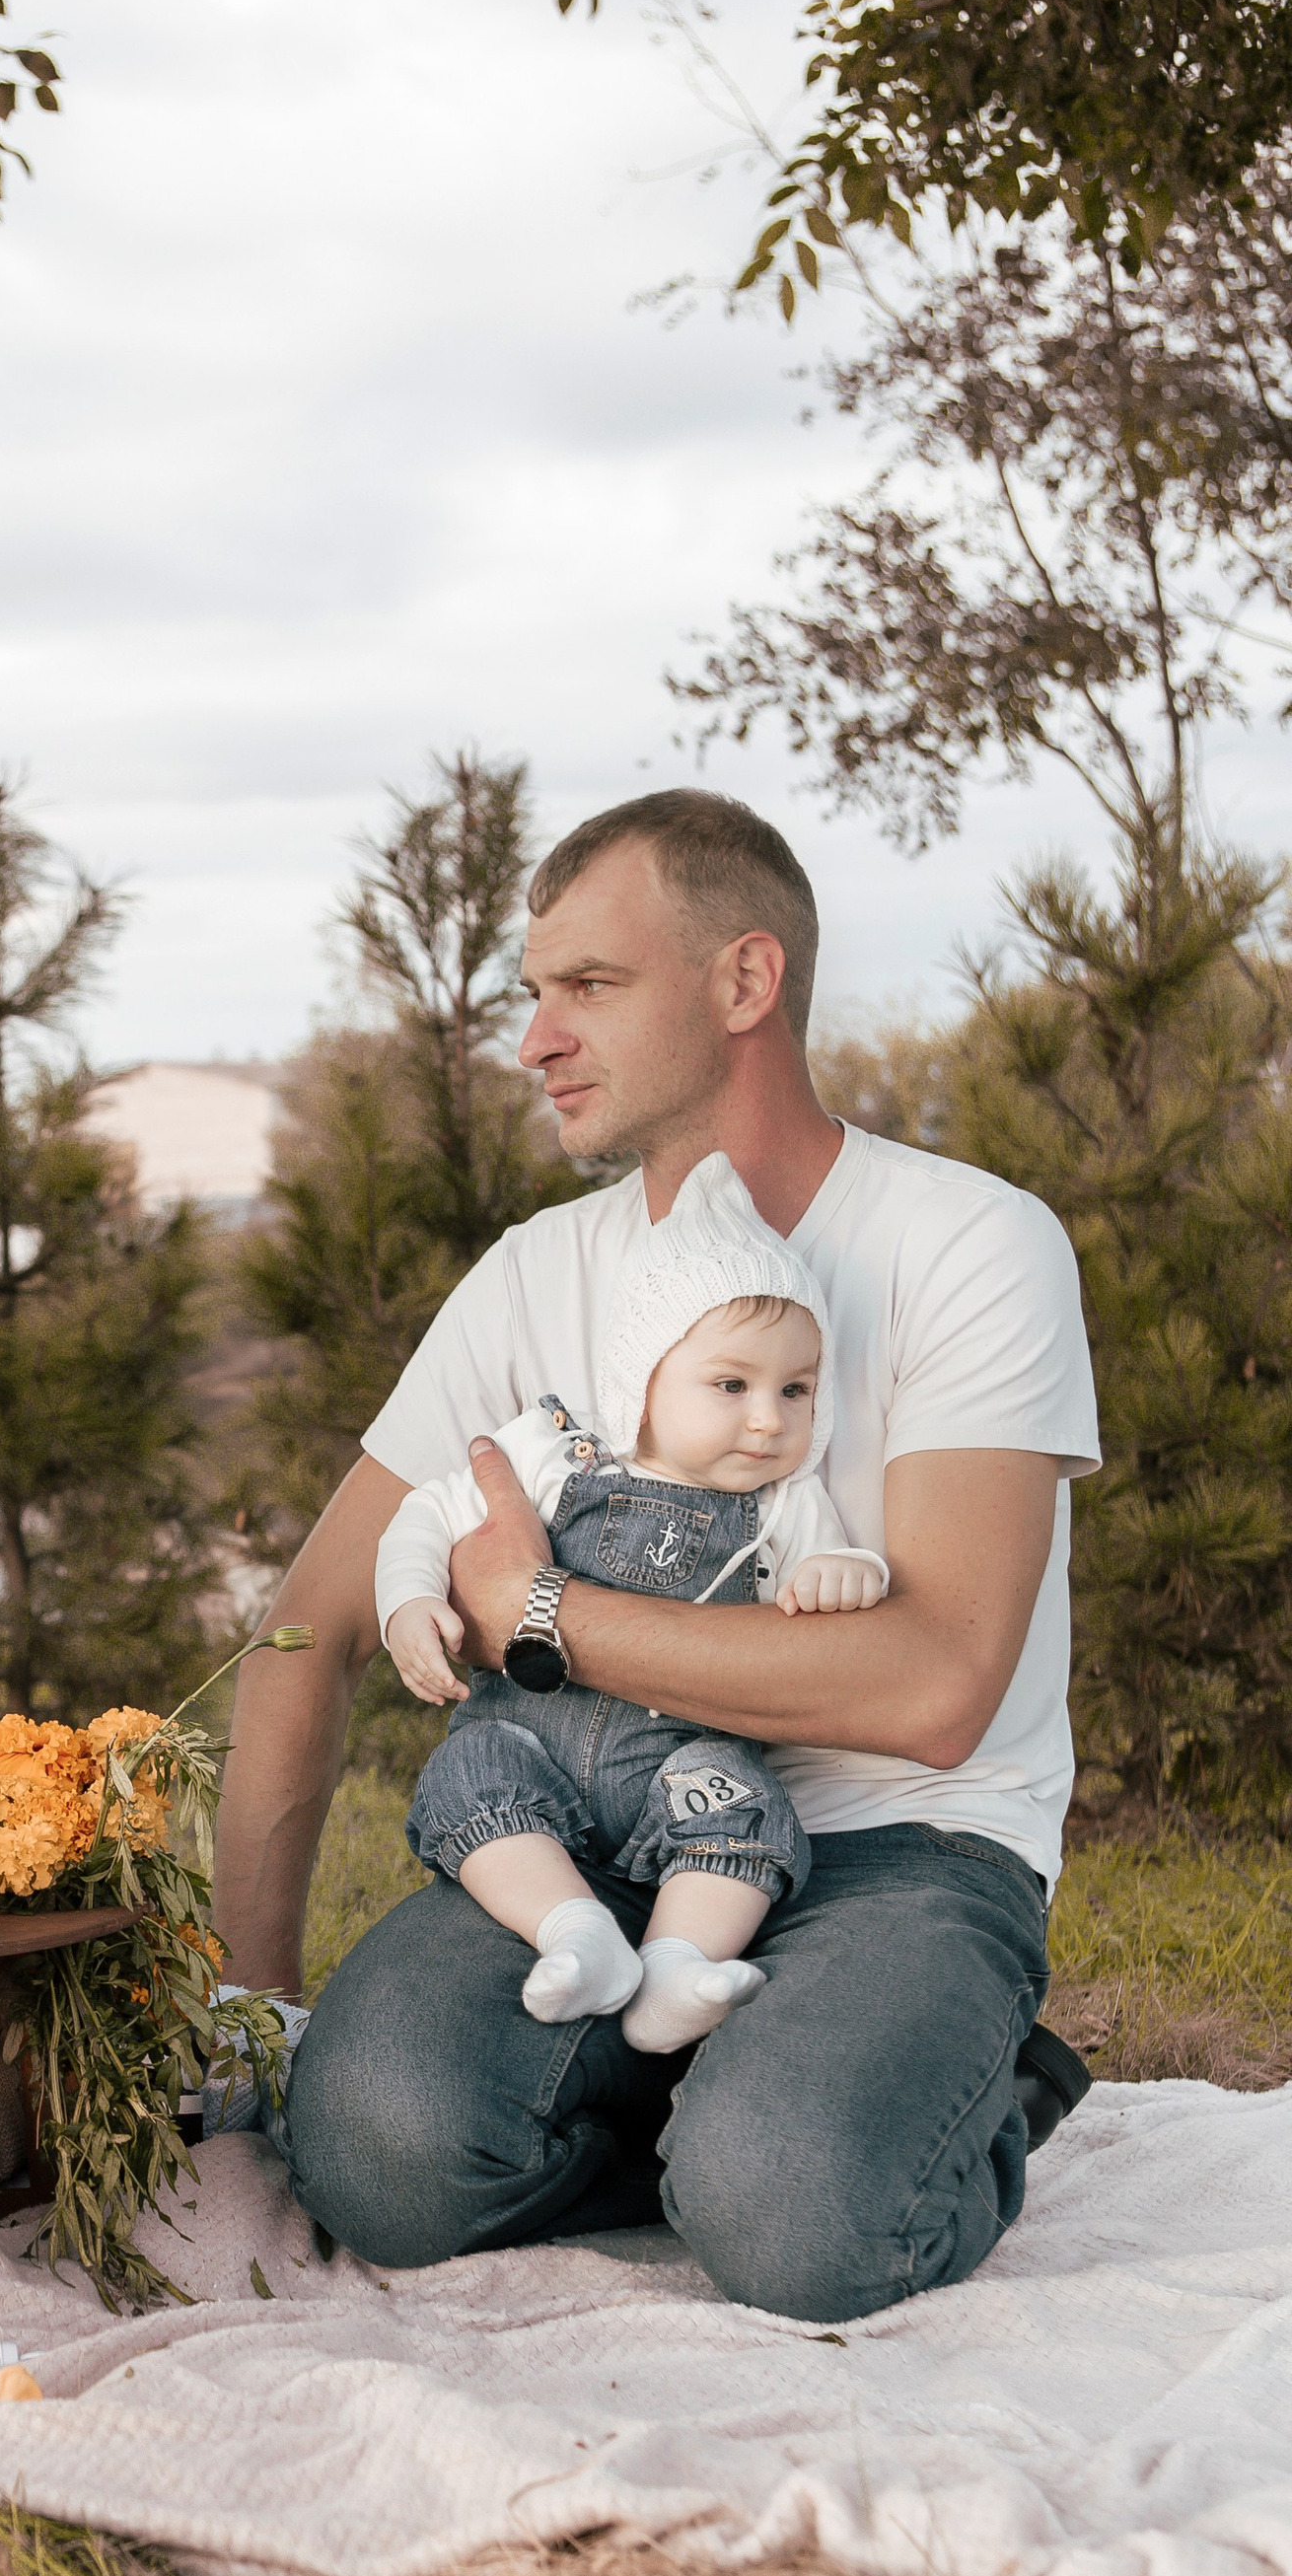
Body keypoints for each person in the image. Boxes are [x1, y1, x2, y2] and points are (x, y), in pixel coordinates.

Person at [211, 790, 1100, 2325]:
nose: (535, 1038)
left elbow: (938, 1684)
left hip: (911, 1847)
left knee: (794, 2214)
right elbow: (308, 1631)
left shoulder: (971, 1243)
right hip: (587, 1831)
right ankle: (712, 2096)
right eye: (532, 993)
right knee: (367, 2156)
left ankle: (893, 2102)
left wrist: (540, 1612)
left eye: (590, 988)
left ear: (744, 984)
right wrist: (254, 2014)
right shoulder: (534, 1275)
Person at [378, 1152, 889, 2056]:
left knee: (746, 1813)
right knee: (472, 1780)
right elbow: (429, 1511)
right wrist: (409, 1600)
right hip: (529, 1747)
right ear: (644, 1379)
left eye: (796, 1389)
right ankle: (573, 1931)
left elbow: (840, 1567)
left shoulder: (785, 1504)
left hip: (679, 1766)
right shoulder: (555, 1454)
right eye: (731, 1385)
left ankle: (675, 1968)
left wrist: (848, 1575)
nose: (769, 1419)